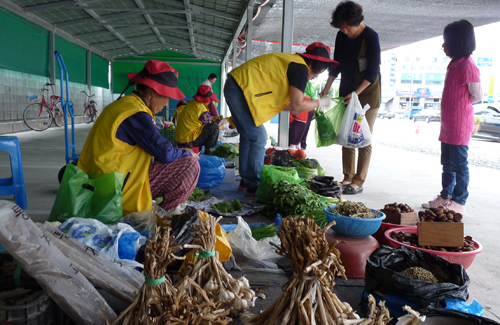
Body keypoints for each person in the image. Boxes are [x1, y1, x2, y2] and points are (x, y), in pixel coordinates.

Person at [77, 60, 200, 216]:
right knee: (190, 165)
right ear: (152, 92)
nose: (167, 102)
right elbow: (165, 152)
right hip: (112, 188)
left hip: (102, 180)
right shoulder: (136, 112)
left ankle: (158, 214)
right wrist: (188, 153)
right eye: (167, 96)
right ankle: (165, 217)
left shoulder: (125, 105)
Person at [224, 42, 337, 196]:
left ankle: (246, 181)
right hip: (239, 88)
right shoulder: (300, 68)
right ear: (316, 65)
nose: (315, 77)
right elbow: (297, 104)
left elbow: (289, 105)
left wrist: (301, 106)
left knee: (249, 135)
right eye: (319, 73)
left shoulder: (293, 63)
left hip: (236, 86)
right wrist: (320, 103)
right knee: (258, 136)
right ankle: (254, 185)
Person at [320, 0, 381, 195]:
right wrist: (327, 87)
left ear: (357, 21)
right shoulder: (341, 35)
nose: (345, 31)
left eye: (348, 27)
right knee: (346, 134)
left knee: (362, 136)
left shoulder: (371, 37)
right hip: (347, 91)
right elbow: (336, 64)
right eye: (341, 27)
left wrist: (357, 93)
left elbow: (372, 72)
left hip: (367, 94)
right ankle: (347, 177)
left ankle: (358, 180)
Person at [422, 20, 482, 214]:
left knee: (459, 165)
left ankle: (459, 201)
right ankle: (445, 196)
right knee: (446, 164)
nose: (443, 46)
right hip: (448, 126)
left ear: (458, 42)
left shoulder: (468, 66)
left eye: (446, 41)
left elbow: (477, 96)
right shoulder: (453, 65)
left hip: (459, 126)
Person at [175, 85, 220, 154]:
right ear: (207, 100)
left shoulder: (191, 103)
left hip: (179, 139)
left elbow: (198, 117)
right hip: (188, 141)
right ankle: (208, 152)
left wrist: (211, 118)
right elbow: (208, 125)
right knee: (214, 127)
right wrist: (222, 126)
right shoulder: (202, 108)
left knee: (208, 127)